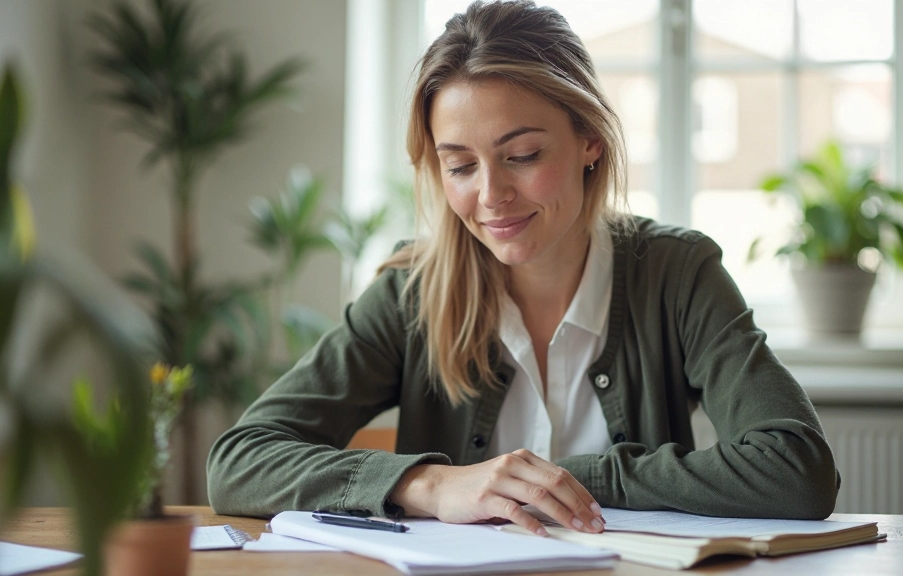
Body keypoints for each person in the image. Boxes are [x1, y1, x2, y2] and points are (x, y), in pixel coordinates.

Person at [207, 0, 839, 537]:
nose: (491, 196)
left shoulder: (678, 273)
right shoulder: (412, 292)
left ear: (590, 140)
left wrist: (560, 480)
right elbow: (239, 461)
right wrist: (433, 485)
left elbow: (798, 470)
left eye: (523, 155)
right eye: (460, 166)